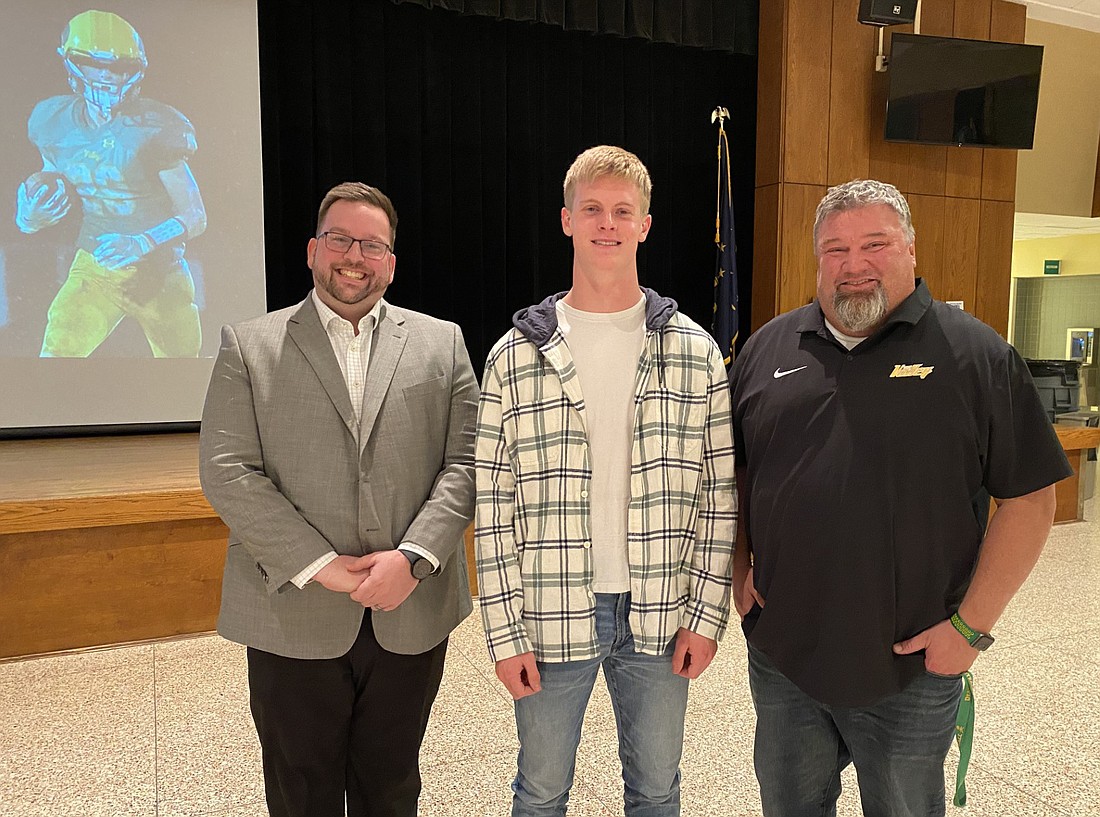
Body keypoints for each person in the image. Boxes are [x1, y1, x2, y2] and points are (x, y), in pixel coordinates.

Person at [728, 178, 1072, 817]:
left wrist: (971, 628)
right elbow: (742, 474)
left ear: (911, 250)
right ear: (817, 260)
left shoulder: (976, 355)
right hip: (783, 661)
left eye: (874, 244)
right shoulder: (766, 349)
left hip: (910, 667)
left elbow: (1030, 500)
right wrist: (740, 566)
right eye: (835, 250)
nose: (853, 265)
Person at [199, 182, 478, 817]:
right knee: (301, 792)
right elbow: (226, 467)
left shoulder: (443, 343)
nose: (354, 255)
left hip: (409, 604)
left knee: (392, 787)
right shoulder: (249, 346)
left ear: (392, 261)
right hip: (292, 611)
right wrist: (318, 564)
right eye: (340, 240)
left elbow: (466, 462)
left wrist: (412, 558)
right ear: (311, 250)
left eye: (372, 244)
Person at [475, 145, 736, 816]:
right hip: (552, 611)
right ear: (566, 220)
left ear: (646, 224)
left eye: (623, 211)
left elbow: (719, 498)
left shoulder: (695, 351)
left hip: (660, 611)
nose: (607, 224)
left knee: (656, 790)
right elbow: (493, 506)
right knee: (540, 790)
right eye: (592, 209)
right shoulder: (514, 356)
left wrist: (706, 616)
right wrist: (505, 634)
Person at [15, 9, 206, 357]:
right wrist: (29, 215)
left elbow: (195, 215)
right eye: (93, 65)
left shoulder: (156, 126)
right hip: (95, 263)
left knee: (181, 371)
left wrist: (142, 242)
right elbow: (53, 173)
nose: (104, 77)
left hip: (159, 271)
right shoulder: (52, 120)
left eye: (117, 68)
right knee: (56, 356)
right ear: (71, 65)